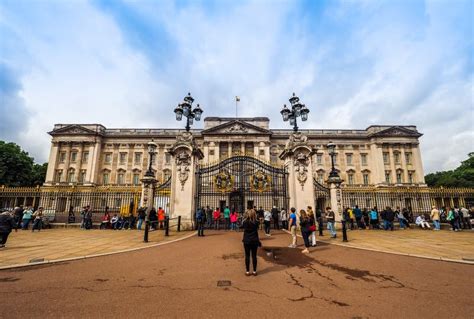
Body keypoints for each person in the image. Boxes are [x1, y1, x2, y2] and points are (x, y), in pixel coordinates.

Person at [241, 208, 261, 276]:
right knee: (254, 256)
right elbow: (257, 227)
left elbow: (242, 225)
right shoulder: (256, 222)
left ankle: (247, 271)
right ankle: (254, 271)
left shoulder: (245, 222)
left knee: (247, 256)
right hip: (254, 240)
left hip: (247, 240)